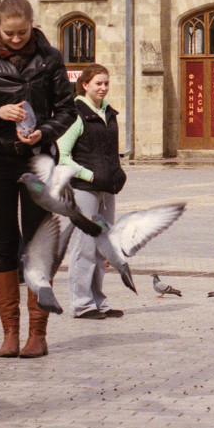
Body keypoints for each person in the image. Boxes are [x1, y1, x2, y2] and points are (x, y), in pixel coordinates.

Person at [0, 0, 75, 359]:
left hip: (36, 159)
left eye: (22, 32)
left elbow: (68, 111)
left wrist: (44, 132)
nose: (14, 38)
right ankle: (10, 331)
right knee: (2, 243)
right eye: (8, 33)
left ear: (32, 25)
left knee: (37, 244)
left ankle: (37, 334)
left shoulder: (51, 58)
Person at [56, 64, 127, 320]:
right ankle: (82, 304)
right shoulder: (76, 113)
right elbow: (62, 156)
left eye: (106, 83)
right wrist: (90, 175)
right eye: (98, 83)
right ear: (85, 85)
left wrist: (116, 175)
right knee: (84, 248)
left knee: (102, 249)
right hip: (84, 189)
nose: (103, 88)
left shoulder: (108, 112)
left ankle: (99, 301)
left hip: (107, 189)